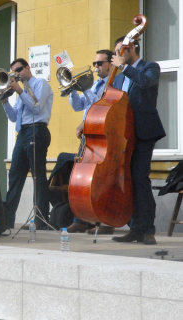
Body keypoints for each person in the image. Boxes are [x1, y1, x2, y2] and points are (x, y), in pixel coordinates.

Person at [110, 36, 165, 245]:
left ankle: (148, 229)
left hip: (143, 132)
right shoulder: (119, 75)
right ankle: (134, 228)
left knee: (140, 178)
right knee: (129, 181)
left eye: (119, 51)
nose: (117, 56)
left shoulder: (151, 67)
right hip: (124, 134)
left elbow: (145, 82)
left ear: (131, 48)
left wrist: (124, 67)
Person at [66, 49, 116, 235]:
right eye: (94, 63)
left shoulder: (111, 85)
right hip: (89, 134)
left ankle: (104, 222)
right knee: (83, 176)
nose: (96, 67)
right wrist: (72, 89)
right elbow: (78, 106)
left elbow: (100, 106)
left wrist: (86, 89)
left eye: (100, 63)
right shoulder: (95, 85)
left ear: (111, 65)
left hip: (102, 135)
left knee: (101, 178)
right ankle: (81, 219)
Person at [1, 58, 53, 229]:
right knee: (15, 176)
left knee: (38, 176)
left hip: (37, 130)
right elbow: (14, 117)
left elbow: (36, 107)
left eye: (19, 70)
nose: (17, 74)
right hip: (23, 133)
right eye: (14, 72)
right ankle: (7, 219)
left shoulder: (40, 83)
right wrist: (5, 102)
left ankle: (41, 219)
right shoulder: (21, 91)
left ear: (28, 67)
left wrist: (19, 91)